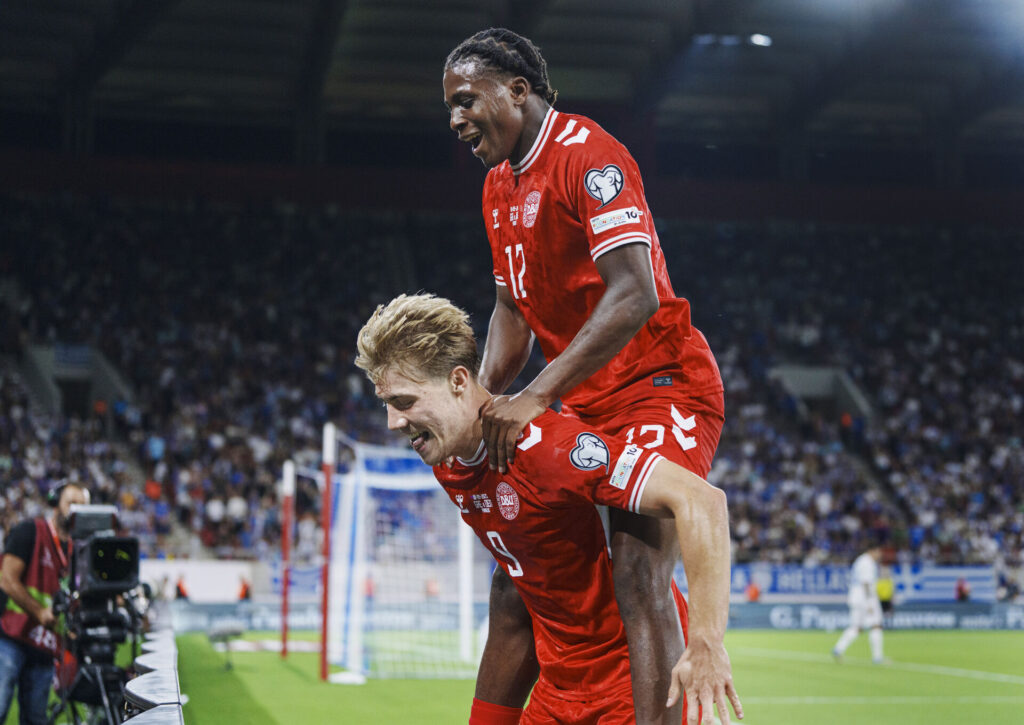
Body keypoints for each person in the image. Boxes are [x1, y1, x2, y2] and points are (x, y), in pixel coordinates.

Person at [443, 28, 725, 722]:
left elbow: (636, 294)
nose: (455, 119)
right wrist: (475, 401)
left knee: (636, 568)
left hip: (661, 384)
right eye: (447, 107)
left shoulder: (590, 156)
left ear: (518, 88)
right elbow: (512, 306)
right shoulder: (497, 187)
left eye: (465, 99)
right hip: (587, 400)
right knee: (524, 575)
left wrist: (536, 393)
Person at [356, 294, 742, 725]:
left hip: (629, 694)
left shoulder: (549, 448)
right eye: (387, 404)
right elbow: (515, 589)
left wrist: (707, 643)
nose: (393, 422)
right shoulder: (448, 463)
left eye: (405, 402)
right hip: (556, 696)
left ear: (459, 382)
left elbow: (702, 500)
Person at [0, 482, 90, 724]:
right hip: (10, 638)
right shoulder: (29, 531)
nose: (76, 510)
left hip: (45, 647)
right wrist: (39, 611)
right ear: (55, 505)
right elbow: (6, 580)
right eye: (71, 503)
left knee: (36, 718)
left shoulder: (79, 551)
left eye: (82, 506)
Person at [832, 546, 886, 664]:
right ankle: (877, 657)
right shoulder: (868, 563)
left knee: (856, 627)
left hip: (855, 597)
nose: (879, 555)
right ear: (872, 550)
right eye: (878, 552)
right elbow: (866, 583)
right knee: (876, 625)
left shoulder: (860, 561)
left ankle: (838, 649)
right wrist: (870, 602)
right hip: (865, 597)